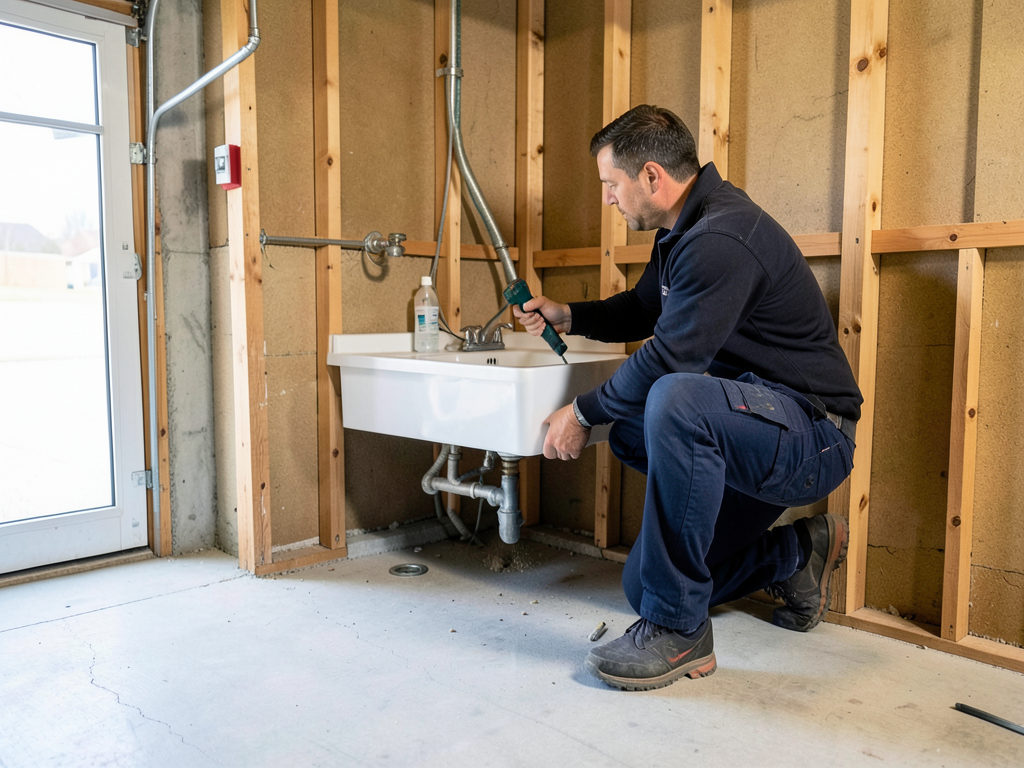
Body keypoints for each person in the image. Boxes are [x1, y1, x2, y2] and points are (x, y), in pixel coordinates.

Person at [513, 105, 863, 691]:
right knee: (641, 582)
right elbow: (645, 308)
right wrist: (567, 314)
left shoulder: (722, 236)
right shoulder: (682, 231)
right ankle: (795, 554)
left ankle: (679, 632)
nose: (608, 199)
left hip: (812, 435)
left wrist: (580, 412)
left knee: (671, 397)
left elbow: (671, 359)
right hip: (752, 429)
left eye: (610, 185)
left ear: (651, 176)